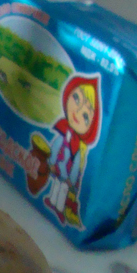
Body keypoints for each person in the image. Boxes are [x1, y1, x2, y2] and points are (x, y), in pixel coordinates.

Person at [44, 74, 101, 228]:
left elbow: (76, 165)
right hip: (57, 167)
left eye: (85, 116)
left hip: (67, 174)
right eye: (76, 98)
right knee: (56, 186)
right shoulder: (63, 132)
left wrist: (72, 179)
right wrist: (51, 161)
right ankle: (51, 200)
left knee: (63, 189)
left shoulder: (78, 148)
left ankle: (59, 208)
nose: (77, 111)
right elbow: (56, 146)